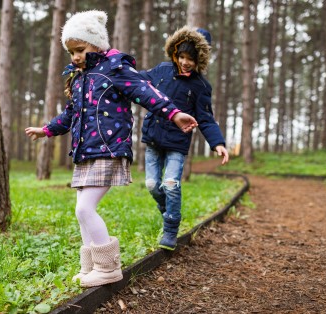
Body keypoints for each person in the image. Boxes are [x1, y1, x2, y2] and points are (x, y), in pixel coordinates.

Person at [25, 10, 197, 288]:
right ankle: (91, 266)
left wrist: (173, 113)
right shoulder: (80, 78)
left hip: (107, 148)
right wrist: (46, 130)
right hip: (85, 153)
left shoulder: (114, 67)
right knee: (81, 211)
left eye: (80, 49)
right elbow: (70, 113)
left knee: (85, 209)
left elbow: (145, 91)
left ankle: (108, 268)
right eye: (71, 52)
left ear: (96, 43)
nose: (75, 57)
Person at [139, 26, 229, 251]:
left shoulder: (201, 86)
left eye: (191, 58)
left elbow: (206, 119)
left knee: (170, 184)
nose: (185, 62)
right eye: (181, 56)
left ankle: (171, 229)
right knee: (152, 185)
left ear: (200, 58)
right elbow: (138, 82)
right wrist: (117, 71)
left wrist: (217, 143)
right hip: (153, 137)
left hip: (177, 144)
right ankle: (168, 210)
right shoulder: (161, 70)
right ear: (175, 53)